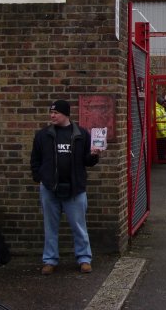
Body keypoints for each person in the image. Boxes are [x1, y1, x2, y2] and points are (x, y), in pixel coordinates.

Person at [30, 100, 100, 276]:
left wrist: (94, 156)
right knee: (50, 226)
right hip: (49, 188)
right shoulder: (42, 135)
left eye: (56, 113)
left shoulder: (81, 134)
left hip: (75, 188)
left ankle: (84, 259)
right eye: (51, 112)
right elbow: (35, 160)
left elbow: (87, 162)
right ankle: (50, 260)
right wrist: (40, 178)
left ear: (66, 114)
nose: (52, 115)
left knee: (78, 225)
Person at [155, 96, 166, 161]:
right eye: (163, 102)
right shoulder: (158, 110)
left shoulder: (161, 108)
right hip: (162, 133)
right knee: (161, 147)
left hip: (165, 132)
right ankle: (162, 159)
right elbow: (159, 122)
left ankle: (163, 158)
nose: (164, 103)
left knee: (164, 147)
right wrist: (162, 132)